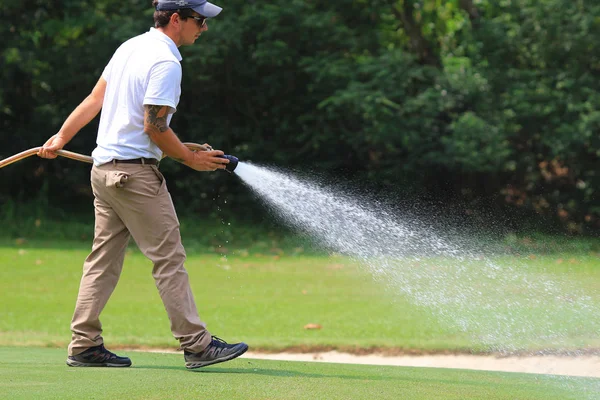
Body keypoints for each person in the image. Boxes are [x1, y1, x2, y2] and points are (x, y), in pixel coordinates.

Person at [37, 0, 248, 369]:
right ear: (176, 19)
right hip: (134, 177)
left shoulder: (129, 47)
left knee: (102, 261)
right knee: (169, 259)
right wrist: (189, 158)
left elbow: (95, 99)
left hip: (104, 173)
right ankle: (197, 345)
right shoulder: (166, 61)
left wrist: (61, 135)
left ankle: (84, 345)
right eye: (199, 20)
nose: (204, 27)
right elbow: (154, 126)